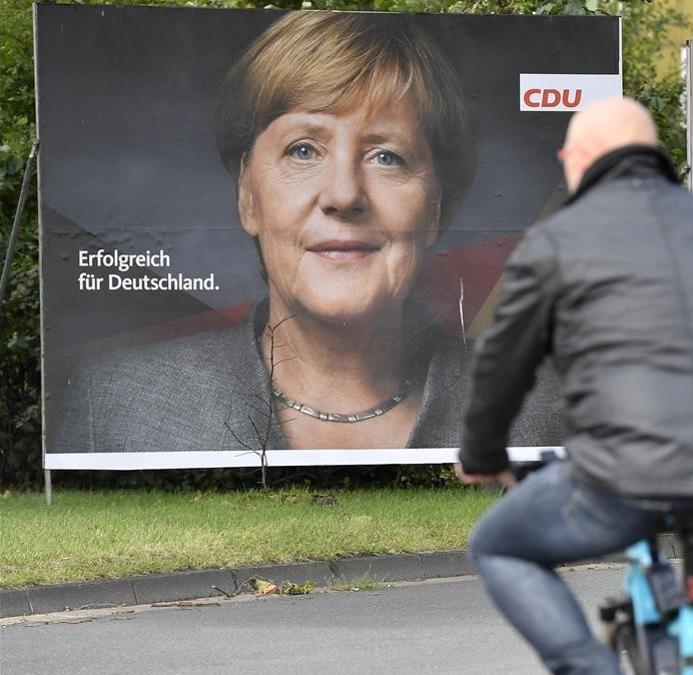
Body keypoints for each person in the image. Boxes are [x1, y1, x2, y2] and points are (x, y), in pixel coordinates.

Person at [51, 12, 562, 453]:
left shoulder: (536, 404)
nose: (343, 194)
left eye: (387, 156)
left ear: (437, 208)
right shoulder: (115, 404)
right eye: (303, 150)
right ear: (247, 197)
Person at [458, 97, 693, 675]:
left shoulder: (558, 240)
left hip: (618, 477)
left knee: (498, 544)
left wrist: (482, 453)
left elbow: (503, 358)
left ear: (580, 158)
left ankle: (589, 667)